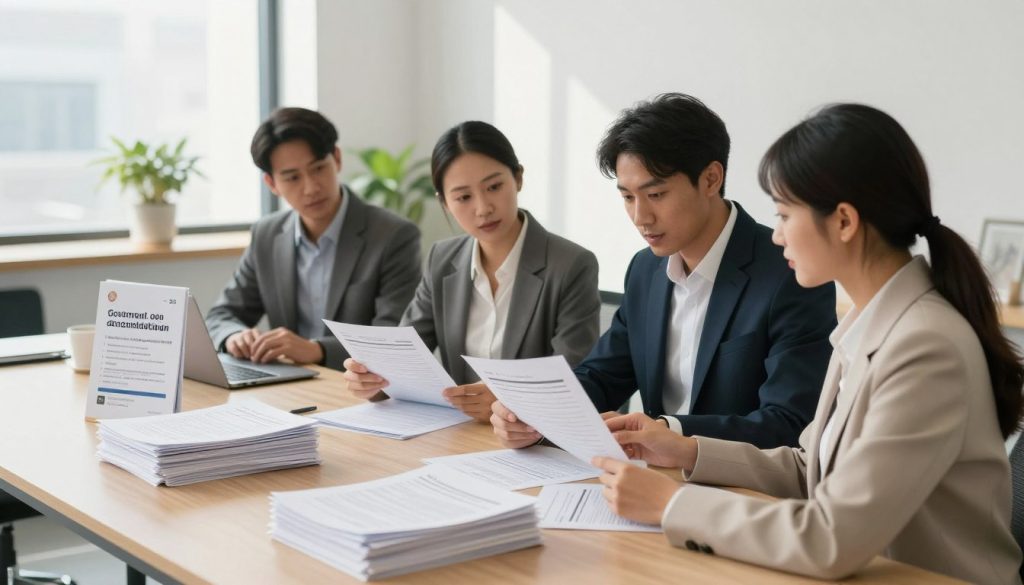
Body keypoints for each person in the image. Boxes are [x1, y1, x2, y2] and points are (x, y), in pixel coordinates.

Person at [593, 104, 1024, 584]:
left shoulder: (925, 346)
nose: (775, 235)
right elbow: (809, 469)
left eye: (783, 214)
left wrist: (672, 504)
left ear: (843, 222)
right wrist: (686, 451)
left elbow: (831, 537)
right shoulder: (869, 322)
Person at [491, 93, 836, 449]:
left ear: (711, 179)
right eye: (627, 197)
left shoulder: (790, 273)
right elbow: (601, 375)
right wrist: (533, 412)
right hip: (648, 476)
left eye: (656, 195)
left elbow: (790, 423)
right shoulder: (645, 269)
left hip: (737, 490)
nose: (641, 217)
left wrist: (668, 431)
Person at [341, 121, 601, 421]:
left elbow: (573, 376)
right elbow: (405, 359)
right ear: (445, 204)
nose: (483, 208)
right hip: (460, 434)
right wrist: (374, 379)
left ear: (517, 178)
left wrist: (507, 398)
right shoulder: (442, 259)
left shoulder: (571, 264)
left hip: (537, 440)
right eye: (463, 197)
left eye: (494, 187)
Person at [206, 107, 421, 370]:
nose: (311, 188)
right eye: (292, 177)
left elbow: (393, 336)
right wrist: (233, 336)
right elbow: (221, 315)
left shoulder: (393, 235)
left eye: (318, 168)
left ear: (337, 159)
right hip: (292, 385)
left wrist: (317, 350)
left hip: (360, 389)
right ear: (272, 184)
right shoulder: (267, 234)